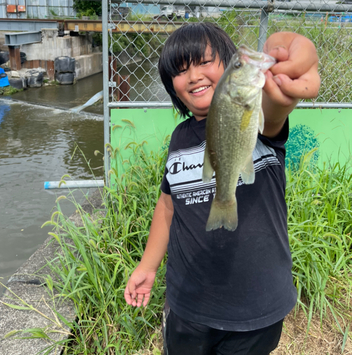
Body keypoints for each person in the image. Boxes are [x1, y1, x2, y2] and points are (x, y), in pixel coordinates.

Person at [124, 22, 320, 355]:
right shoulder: (180, 138)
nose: (193, 76)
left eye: (203, 62)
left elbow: (277, 104)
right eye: (181, 70)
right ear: (172, 86)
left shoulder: (258, 119)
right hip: (188, 301)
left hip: (257, 306)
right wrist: (147, 266)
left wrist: (291, 50)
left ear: (228, 67)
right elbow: (168, 205)